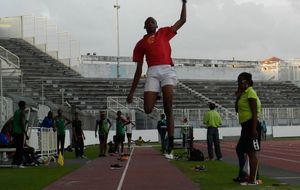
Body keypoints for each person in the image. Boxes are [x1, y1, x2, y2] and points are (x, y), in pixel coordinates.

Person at [127, 0, 187, 159]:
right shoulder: (140, 44)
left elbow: (182, 21)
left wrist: (184, 3)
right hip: (152, 71)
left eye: (153, 21)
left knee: (168, 106)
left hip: (167, 69)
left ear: (156, 24)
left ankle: (171, 142)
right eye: (148, 22)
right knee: (147, 108)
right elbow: (139, 70)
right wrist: (131, 92)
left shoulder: (164, 33)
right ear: (145, 27)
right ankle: (157, 93)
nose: (150, 22)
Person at [234, 72, 262, 185]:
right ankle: (245, 174)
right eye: (238, 81)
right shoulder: (244, 93)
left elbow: (254, 113)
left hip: (251, 125)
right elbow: (237, 109)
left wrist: (254, 129)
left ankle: (252, 179)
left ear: (247, 82)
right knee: (240, 149)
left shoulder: (250, 92)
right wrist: (238, 95)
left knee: (252, 152)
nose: (239, 83)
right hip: (245, 126)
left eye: (241, 81)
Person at [12, 101, 29, 168]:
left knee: (17, 148)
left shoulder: (16, 112)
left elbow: (15, 121)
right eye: (25, 105)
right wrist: (25, 133)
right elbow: (21, 124)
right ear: (23, 106)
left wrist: (25, 122)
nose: (25, 107)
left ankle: (14, 163)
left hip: (15, 131)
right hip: (19, 132)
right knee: (20, 148)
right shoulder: (22, 112)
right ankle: (19, 163)